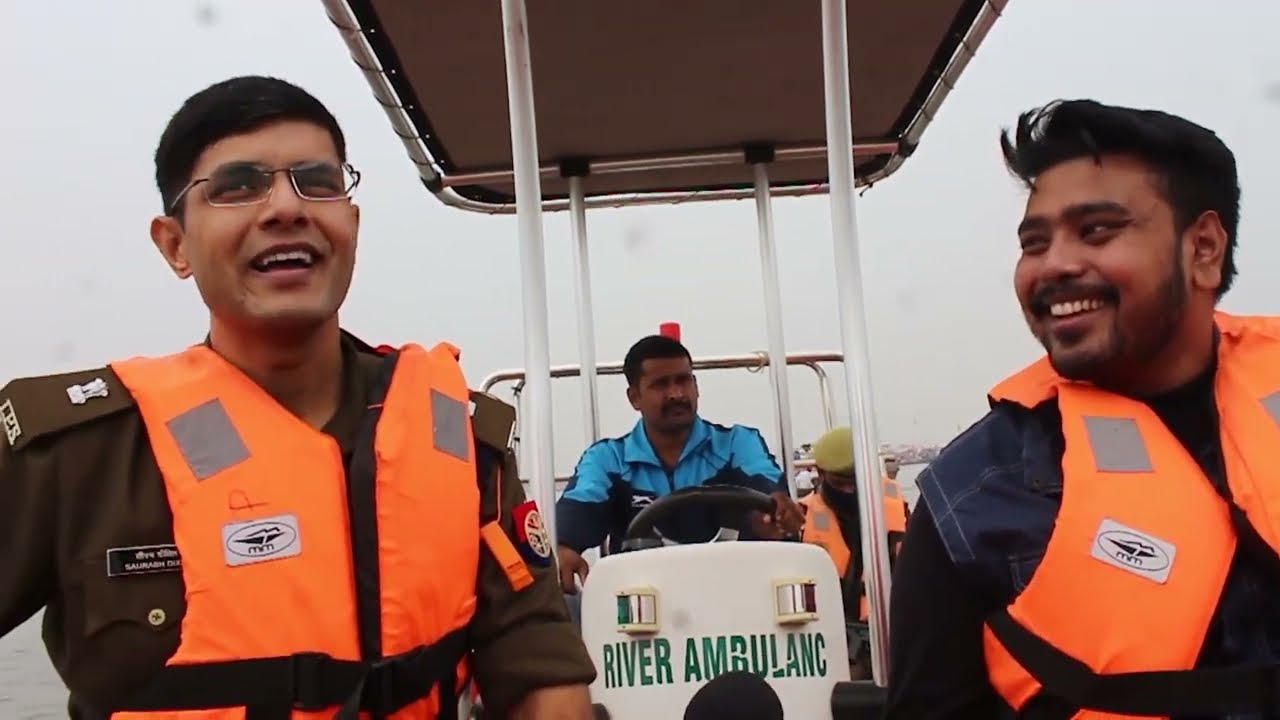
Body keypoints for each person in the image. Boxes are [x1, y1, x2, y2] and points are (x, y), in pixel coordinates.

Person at [0, 75, 596, 720]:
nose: (286, 207)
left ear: (352, 224)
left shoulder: (456, 436)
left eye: (317, 181)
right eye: (237, 187)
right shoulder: (75, 454)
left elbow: (537, 664)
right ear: (175, 245)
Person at [886, 98, 1280, 719]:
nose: (1056, 265)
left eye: (1096, 231)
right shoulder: (969, 499)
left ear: (1203, 248)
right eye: (1034, 242)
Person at [554, 335, 804, 593]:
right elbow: (580, 504)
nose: (677, 393)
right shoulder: (607, 459)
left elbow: (764, 481)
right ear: (634, 398)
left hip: (740, 597)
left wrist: (775, 510)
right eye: (661, 384)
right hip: (643, 613)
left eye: (683, 380)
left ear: (696, 386)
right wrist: (563, 546)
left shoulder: (737, 443)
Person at [797, 426, 908, 680]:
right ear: (821, 474)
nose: (849, 491)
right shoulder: (800, 520)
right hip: (831, 641)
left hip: (896, 634)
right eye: (840, 483)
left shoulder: (902, 512)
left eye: (855, 482)